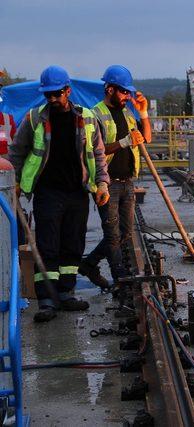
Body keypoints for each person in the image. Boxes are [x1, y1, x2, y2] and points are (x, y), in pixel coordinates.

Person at [9, 65, 110, 322]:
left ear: (67, 90)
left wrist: (103, 185)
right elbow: (17, 154)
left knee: (73, 245)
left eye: (56, 94)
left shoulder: (86, 118)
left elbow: (98, 156)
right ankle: (46, 300)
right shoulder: (34, 119)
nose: (52, 99)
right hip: (47, 192)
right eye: (48, 95)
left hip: (77, 192)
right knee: (47, 245)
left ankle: (66, 293)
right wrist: (15, 183)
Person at [79, 65, 151, 287]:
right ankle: (119, 276)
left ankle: (89, 263)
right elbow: (94, 149)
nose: (127, 96)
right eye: (123, 92)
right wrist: (124, 142)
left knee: (125, 232)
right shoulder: (96, 114)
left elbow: (146, 138)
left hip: (127, 180)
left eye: (128, 92)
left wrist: (144, 113)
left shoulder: (128, 112)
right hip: (106, 183)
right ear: (109, 89)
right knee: (112, 233)